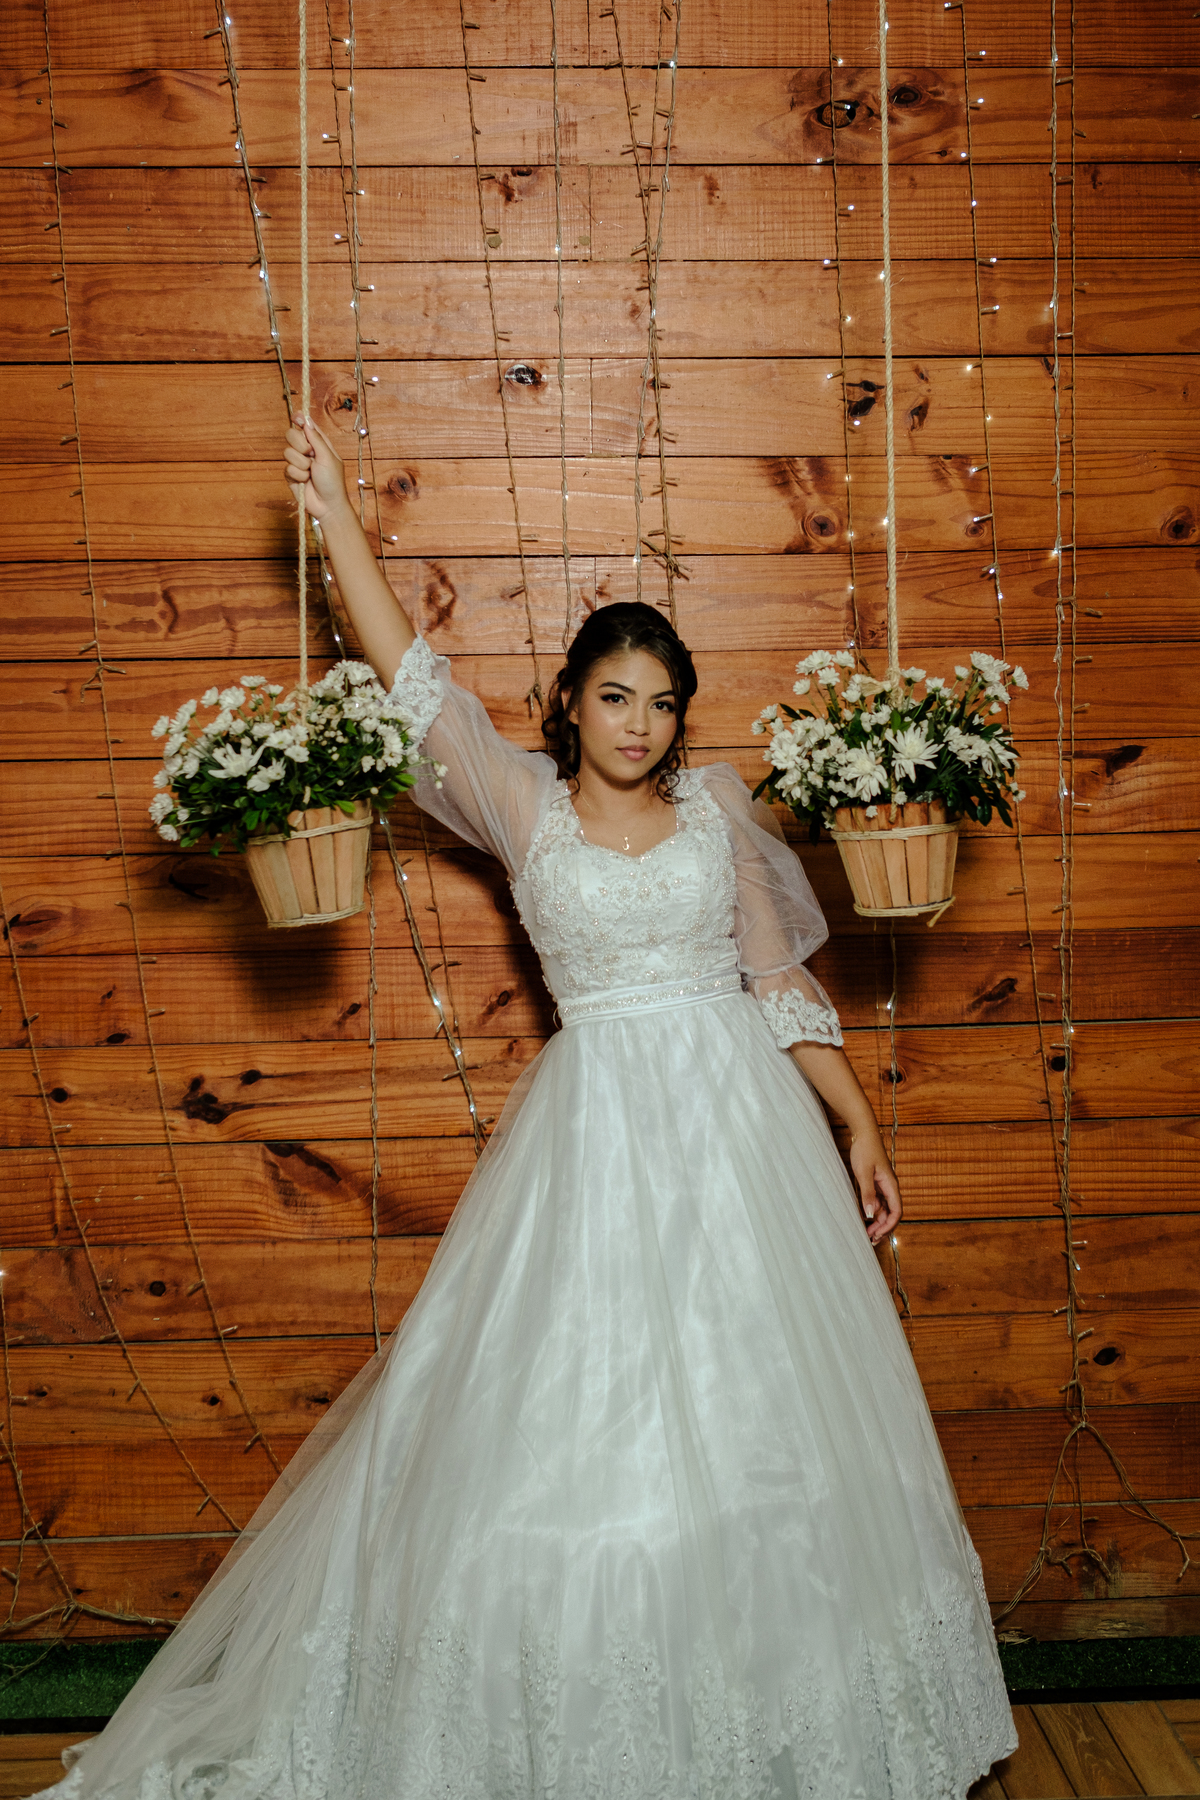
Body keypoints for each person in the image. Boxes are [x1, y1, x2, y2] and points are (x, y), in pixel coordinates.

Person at [39, 422, 1015, 1800]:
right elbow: (409, 676)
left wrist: (856, 1121)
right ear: (570, 702)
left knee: (767, 1424)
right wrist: (335, 519)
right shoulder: (518, 803)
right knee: (578, 1426)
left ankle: (785, 1723)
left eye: (661, 702)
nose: (640, 723)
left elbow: (775, 982)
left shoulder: (715, 815)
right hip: (595, 1138)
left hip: (739, 1138)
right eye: (616, 697)